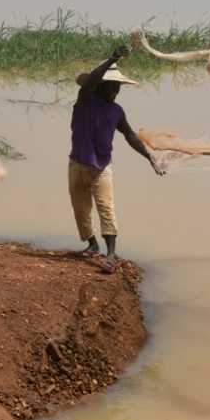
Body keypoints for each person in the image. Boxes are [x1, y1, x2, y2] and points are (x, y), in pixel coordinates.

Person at [69, 44, 164, 273]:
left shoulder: (117, 111)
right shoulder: (84, 102)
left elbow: (130, 136)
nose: (116, 90)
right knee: (80, 208)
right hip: (77, 162)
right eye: (112, 86)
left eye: (118, 87)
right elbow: (91, 82)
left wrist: (149, 156)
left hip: (101, 167)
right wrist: (111, 58)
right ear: (100, 86)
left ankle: (110, 254)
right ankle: (92, 245)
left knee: (106, 208)